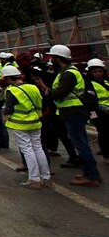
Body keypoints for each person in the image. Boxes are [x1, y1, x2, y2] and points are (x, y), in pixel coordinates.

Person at [40, 45, 101, 187]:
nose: (50, 60)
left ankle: (91, 176)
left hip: (73, 111)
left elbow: (59, 93)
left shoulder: (68, 74)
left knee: (80, 143)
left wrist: (48, 91)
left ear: (58, 58)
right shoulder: (66, 72)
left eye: (52, 57)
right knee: (81, 142)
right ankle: (90, 172)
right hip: (72, 111)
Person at [2, 65, 50, 189]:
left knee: (27, 150)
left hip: (20, 124)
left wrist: (5, 115)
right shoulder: (33, 87)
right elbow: (41, 102)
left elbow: (8, 109)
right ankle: (46, 177)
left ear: (7, 79)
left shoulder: (12, 90)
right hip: (35, 121)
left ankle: (34, 179)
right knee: (38, 148)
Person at [85, 59, 109, 160]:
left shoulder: (106, 82)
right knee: (103, 132)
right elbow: (91, 101)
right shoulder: (89, 84)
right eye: (95, 71)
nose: (98, 73)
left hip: (107, 110)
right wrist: (104, 108)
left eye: (100, 71)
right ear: (90, 72)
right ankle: (106, 154)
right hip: (97, 112)